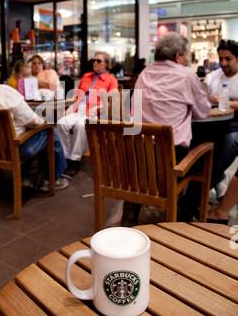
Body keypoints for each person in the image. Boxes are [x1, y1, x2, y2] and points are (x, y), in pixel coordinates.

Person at [124, 32, 211, 225]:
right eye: (187, 55)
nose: (188, 59)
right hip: (170, 163)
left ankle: (129, 216)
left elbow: (135, 109)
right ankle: (184, 213)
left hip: (138, 162)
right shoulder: (186, 74)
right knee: (211, 152)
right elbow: (202, 112)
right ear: (178, 55)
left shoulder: (144, 74)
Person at [0, 52, 68, 192]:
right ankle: (52, 179)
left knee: (21, 129)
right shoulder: (5, 92)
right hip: (10, 149)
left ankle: (25, 178)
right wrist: (43, 121)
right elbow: (33, 122)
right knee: (50, 131)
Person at [57, 52, 118, 176]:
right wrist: (71, 106)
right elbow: (77, 94)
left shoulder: (111, 80)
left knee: (80, 125)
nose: (95, 62)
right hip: (79, 109)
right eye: (94, 60)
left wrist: (98, 107)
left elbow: (113, 103)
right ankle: (65, 157)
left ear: (106, 64)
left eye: (99, 61)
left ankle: (74, 160)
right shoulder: (86, 76)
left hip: (95, 113)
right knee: (61, 123)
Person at [196, 39, 238, 199]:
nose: (223, 63)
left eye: (228, 59)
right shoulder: (213, 77)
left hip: (235, 126)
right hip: (212, 123)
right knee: (192, 139)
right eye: (221, 59)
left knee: (228, 143)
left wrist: (228, 102)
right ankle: (217, 179)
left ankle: (198, 192)